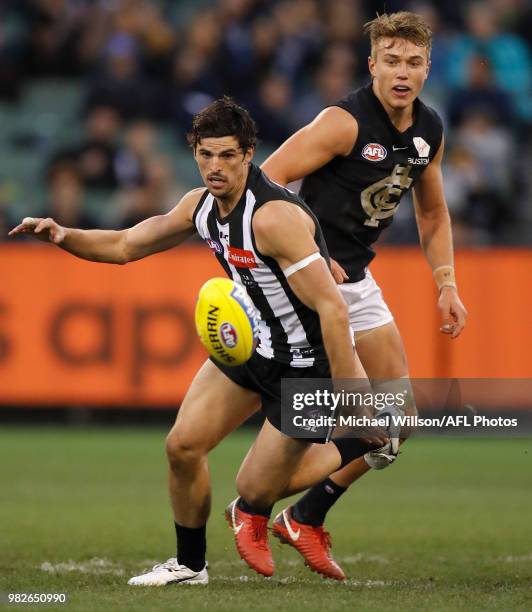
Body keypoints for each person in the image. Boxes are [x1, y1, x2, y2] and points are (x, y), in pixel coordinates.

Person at [9, 97, 385, 585]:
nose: (215, 166)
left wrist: (352, 395)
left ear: (249, 154)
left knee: (253, 490)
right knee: (182, 447)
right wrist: (63, 235)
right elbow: (126, 245)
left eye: (227, 155)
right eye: (205, 154)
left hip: (306, 364)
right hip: (251, 345)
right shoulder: (200, 206)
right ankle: (189, 565)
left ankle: (362, 435)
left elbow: (333, 306)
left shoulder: (274, 219)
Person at [261, 11, 468, 579]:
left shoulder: (429, 130)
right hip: (309, 282)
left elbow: (431, 211)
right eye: (392, 61)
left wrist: (446, 282)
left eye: (414, 62)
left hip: (357, 279)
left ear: (428, 68)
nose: (402, 72)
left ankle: (303, 515)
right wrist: (307, 246)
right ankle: (253, 506)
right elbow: (268, 183)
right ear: (372, 64)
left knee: (397, 421)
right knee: (322, 422)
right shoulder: (343, 123)